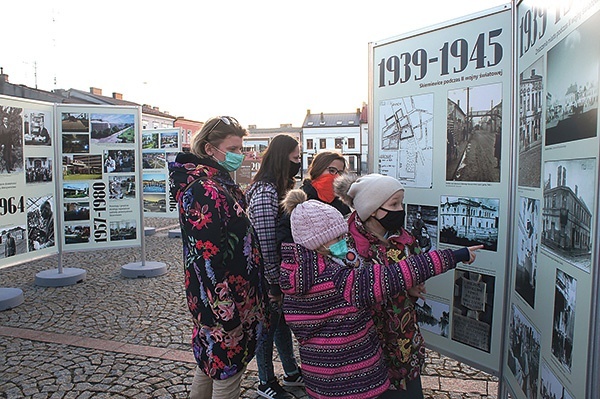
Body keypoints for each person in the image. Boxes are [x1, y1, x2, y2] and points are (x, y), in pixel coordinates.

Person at [280, 189, 481, 399]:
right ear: (318, 243)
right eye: (338, 237)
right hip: (355, 381)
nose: (344, 240)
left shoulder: (294, 274)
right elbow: (398, 274)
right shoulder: (338, 279)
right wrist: (456, 255)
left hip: (319, 378)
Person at [168, 116, 266, 399]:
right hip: (223, 302)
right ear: (211, 149)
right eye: (234, 148)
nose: (240, 154)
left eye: (241, 147)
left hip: (227, 299)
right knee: (228, 373)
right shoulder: (205, 189)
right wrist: (226, 311)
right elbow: (207, 258)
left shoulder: (217, 184)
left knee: (210, 364)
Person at [334, 173, 430, 397]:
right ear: (372, 208)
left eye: (401, 203)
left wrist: (413, 286)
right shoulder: (346, 245)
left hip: (403, 336)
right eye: (394, 204)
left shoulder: (404, 239)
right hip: (367, 340)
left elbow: (416, 268)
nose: (401, 210)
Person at [246, 134, 303, 399]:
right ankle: (265, 380)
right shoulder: (265, 192)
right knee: (267, 328)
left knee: (281, 324)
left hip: (278, 275)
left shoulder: (278, 188)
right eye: (295, 158)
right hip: (266, 276)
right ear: (282, 158)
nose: (299, 162)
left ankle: (291, 372)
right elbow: (267, 242)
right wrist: (274, 284)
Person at [300, 151, 351, 216]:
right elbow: (285, 224)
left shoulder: (341, 201)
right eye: (332, 170)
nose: (337, 176)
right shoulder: (301, 197)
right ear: (318, 169)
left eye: (340, 172)